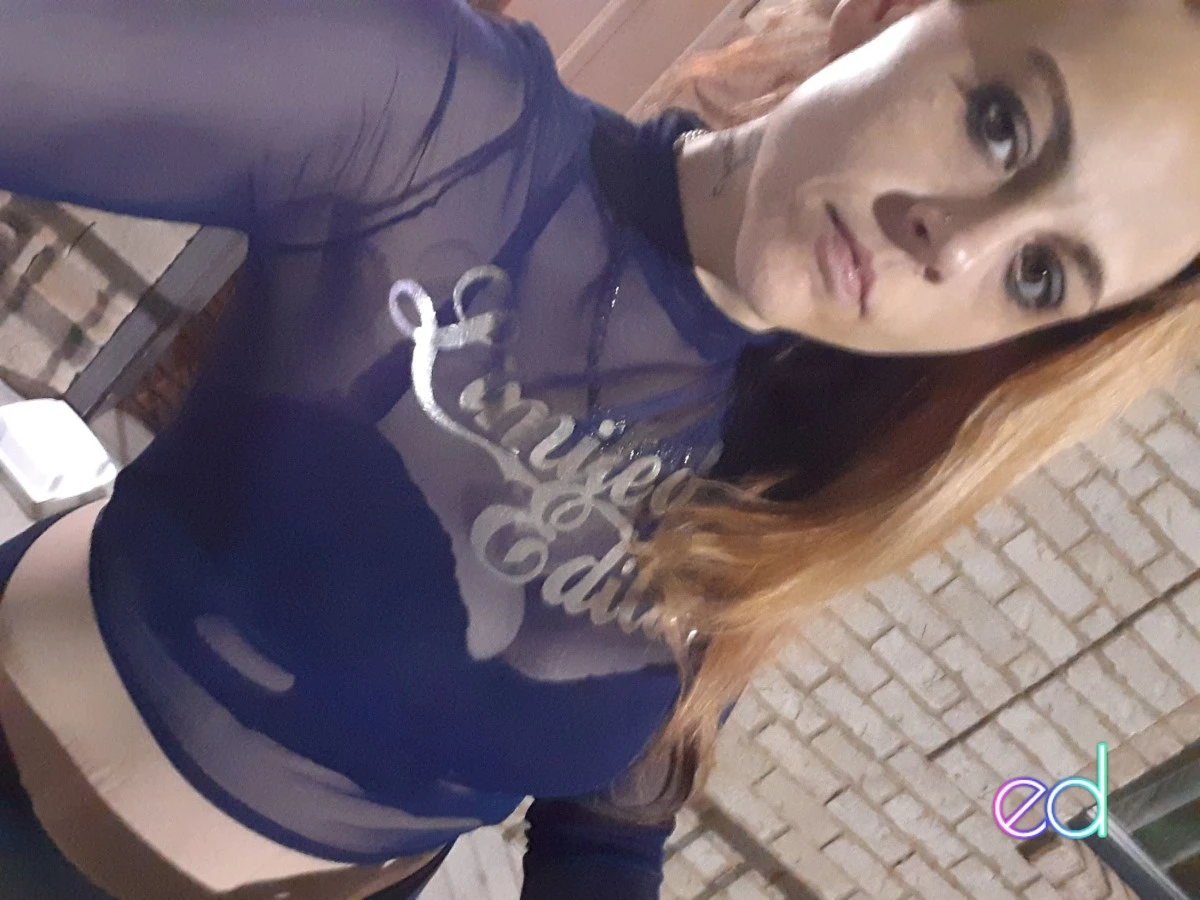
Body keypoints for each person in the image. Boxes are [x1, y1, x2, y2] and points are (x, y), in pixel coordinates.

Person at [1, 0, 1198, 897]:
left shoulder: (788, 483)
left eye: (1040, 274)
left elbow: (612, 826)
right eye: (1002, 125)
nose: (961, 245)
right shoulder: (440, 126)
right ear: (888, 13)